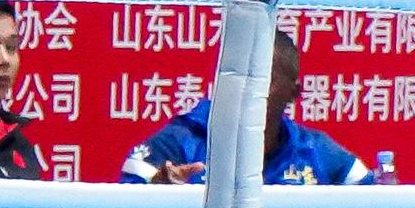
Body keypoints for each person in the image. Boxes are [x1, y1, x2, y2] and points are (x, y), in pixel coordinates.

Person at [122, 87, 379, 188]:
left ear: (292, 92)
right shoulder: (179, 142)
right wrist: (158, 193)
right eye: (244, 79)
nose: (252, 91)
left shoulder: (315, 150)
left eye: (267, 80)